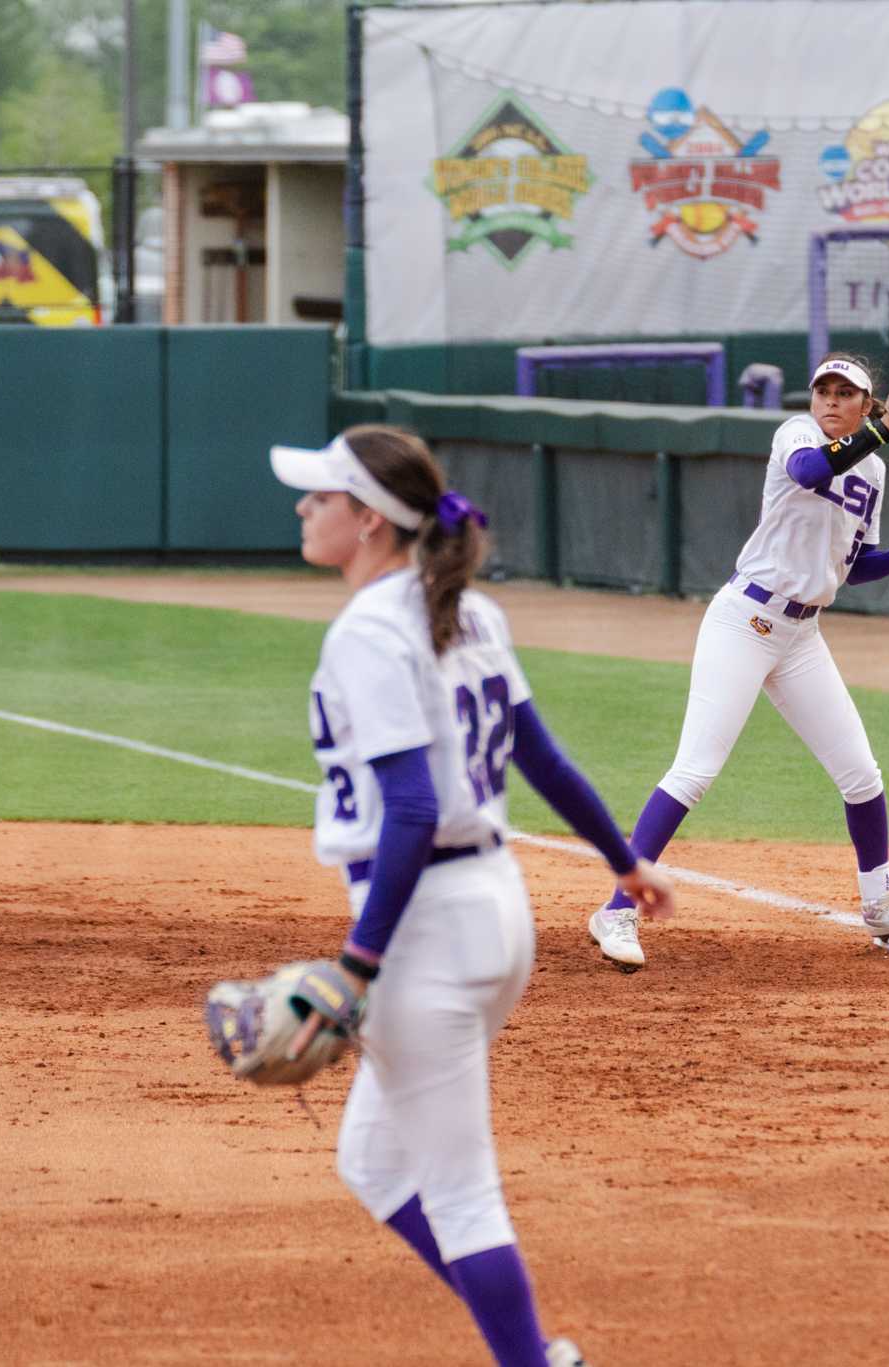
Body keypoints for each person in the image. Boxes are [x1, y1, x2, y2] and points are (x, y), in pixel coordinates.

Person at [270, 424, 676, 1367]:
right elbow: (541, 756)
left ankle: (530, 1363)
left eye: (321, 495)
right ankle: (533, 1346)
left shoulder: (370, 629)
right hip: (494, 909)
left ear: (368, 520)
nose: (304, 507)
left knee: (460, 1192)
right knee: (373, 1164)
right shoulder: (470, 610)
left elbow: (409, 808)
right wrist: (623, 859)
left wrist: (357, 965)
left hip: (425, 932)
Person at [587, 353, 889, 970]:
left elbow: (847, 564)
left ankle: (881, 904)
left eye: (847, 393)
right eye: (824, 390)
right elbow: (811, 473)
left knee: (861, 774)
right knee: (695, 770)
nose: (831, 400)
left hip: (802, 636)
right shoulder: (799, 436)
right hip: (744, 623)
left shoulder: (873, 472)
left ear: (866, 402)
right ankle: (617, 909)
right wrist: (881, 430)